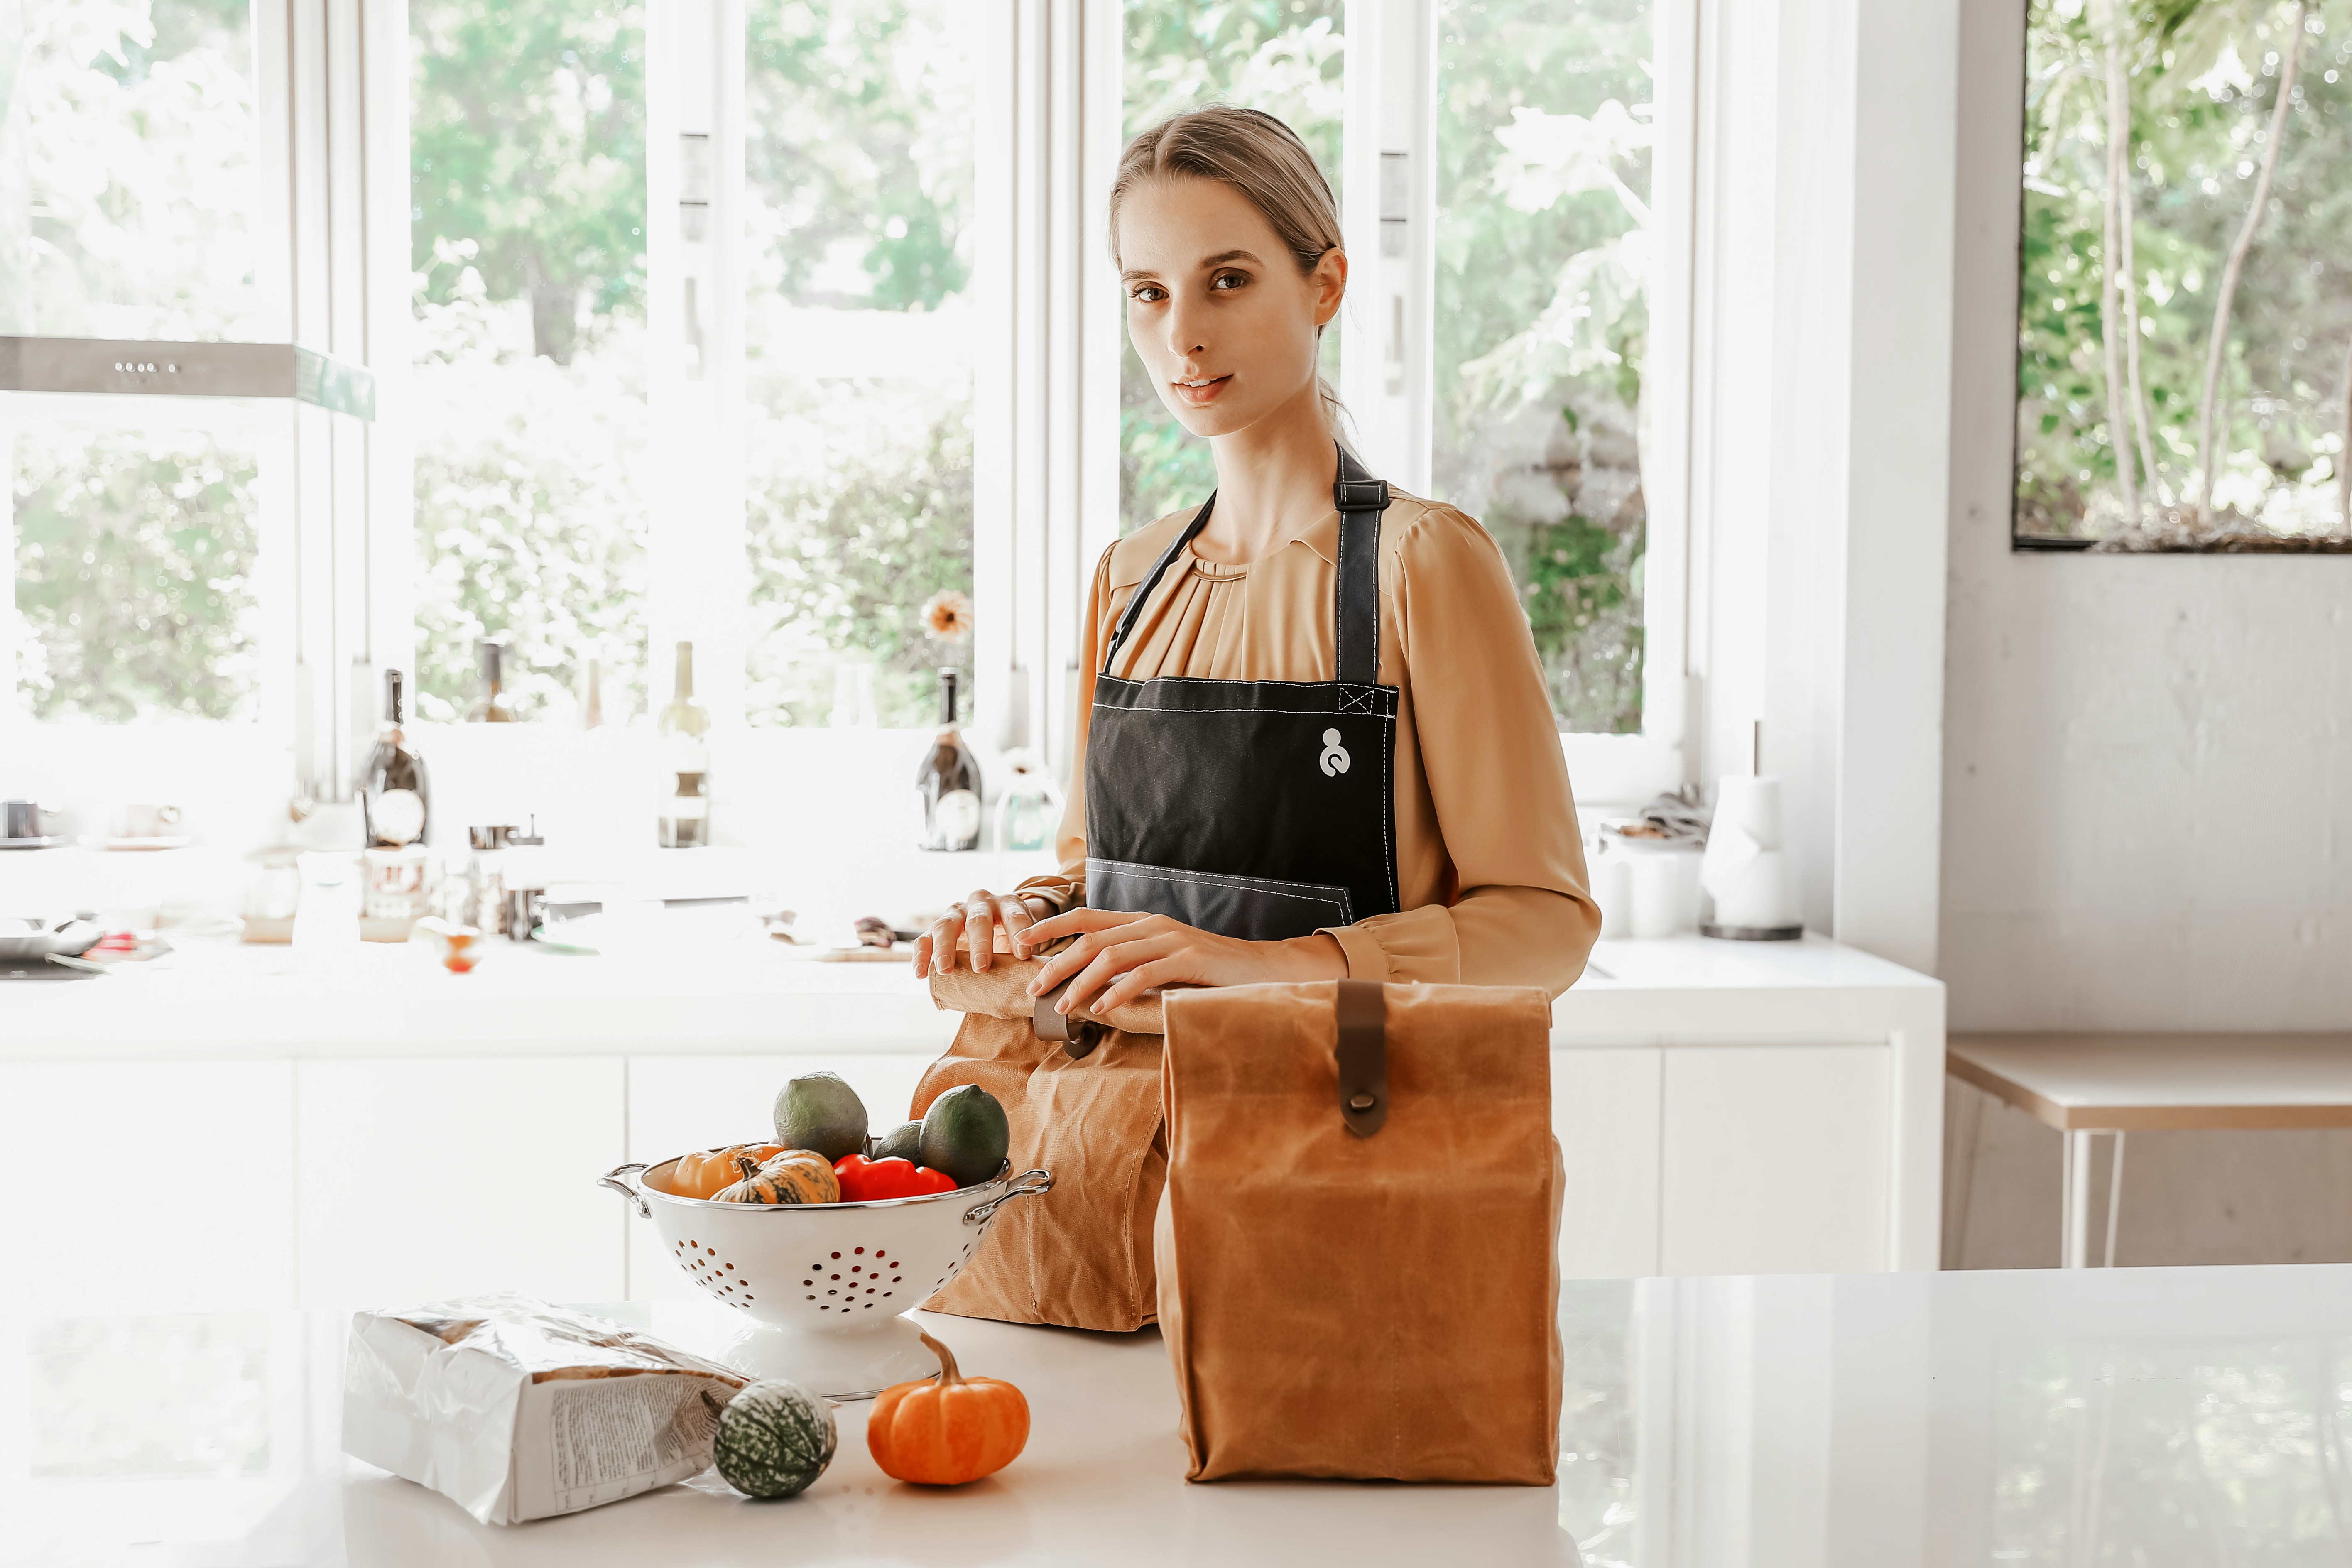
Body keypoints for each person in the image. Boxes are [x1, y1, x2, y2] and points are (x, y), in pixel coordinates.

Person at [914, 102, 1598, 1019]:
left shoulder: (1421, 562)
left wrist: (1251, 963)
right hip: (1120, 1132)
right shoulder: (1130, 578)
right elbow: (1099, 879)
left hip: (1344, 1141)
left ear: (1327, 285)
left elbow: (1544, 924)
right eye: (1149, 292)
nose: (1182, 336)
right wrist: (1026, 913)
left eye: (1227, 280)